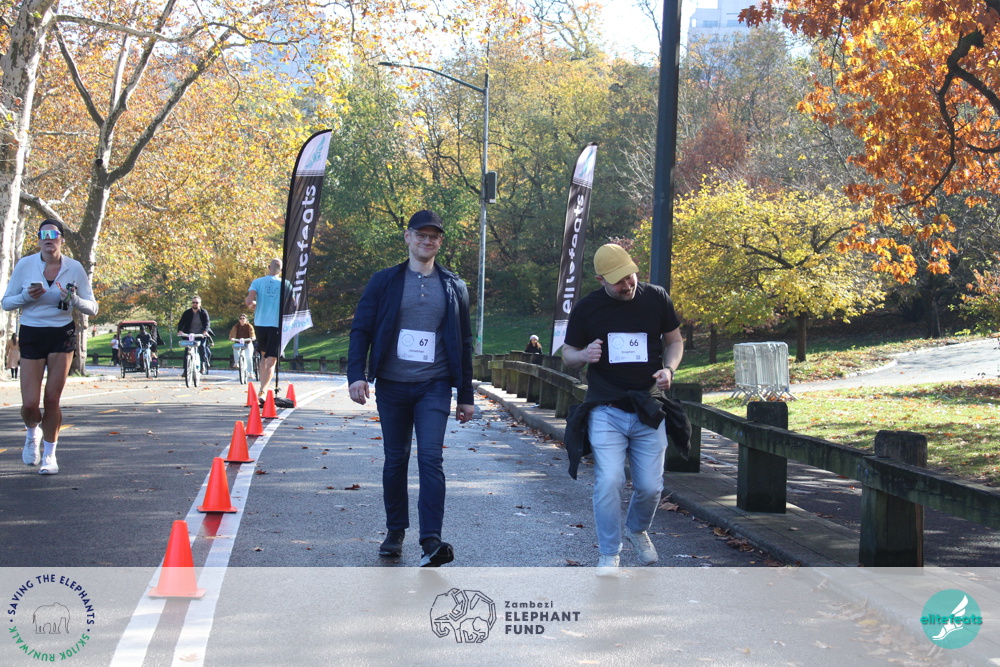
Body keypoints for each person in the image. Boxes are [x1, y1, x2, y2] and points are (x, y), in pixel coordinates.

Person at [347, 209, 475, 567]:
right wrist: (356, 374)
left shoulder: (454, 286)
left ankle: (431, 539)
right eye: (421, 234)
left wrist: (465, 395)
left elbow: (464, 341)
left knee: (431, 458)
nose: (427, 241)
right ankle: (395, 531)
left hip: (434, 385)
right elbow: (361, 329)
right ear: (408, 237)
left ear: (440, 242)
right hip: (392, 386)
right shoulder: (384, 281)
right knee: (396, 459)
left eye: (434, 236)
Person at [561, 243, 685, 575]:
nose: (627, 284)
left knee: (650, 487)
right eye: (618, 281)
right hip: (606, 408)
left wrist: (669, 369)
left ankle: (637, 529)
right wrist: (584, 355)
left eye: (630, 276)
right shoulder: (587, 308)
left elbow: (674, 340)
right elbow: (568, 354)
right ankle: (609, 552)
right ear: (601, 279)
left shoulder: (656, 297)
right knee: (609, 480)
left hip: (648, 407)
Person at [1, 219, 99, 475]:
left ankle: (50, 455)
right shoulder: (26, 265)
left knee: (52, 398)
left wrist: (74, 299)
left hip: (61, 333)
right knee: (30, 404)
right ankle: (32, 433)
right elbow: (6, 303)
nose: (48, 239)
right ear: (38, 240)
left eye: (53, 235)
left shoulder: (74, 268)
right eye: (43, 235)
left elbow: (92, 307)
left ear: (61, 239)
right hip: (32, 332)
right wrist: (26, 296)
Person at [245, 259, 292, 398]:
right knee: (272, 359)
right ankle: (263, 390)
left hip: (260, 323)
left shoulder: (257, 282)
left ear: (268, 267)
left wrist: (253, 305)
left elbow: (248, 301)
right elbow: (293, 304)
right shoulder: (285, 284)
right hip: (276, 324)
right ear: (281, 270)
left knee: (263, 356)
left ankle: (262, 388)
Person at [177, 295, 212, 373]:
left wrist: (205, 331)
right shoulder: (187, 313)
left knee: (202, 347)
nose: (195, 304)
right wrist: (180, 331)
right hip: (190, 335)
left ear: (200, 303)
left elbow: (207, 322)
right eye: (193, 302)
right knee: (187, 351)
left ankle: (203, 364)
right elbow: (181, 322)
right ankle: (186, 370)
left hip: (200, 335)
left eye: (197, 302)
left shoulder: (203, 312)